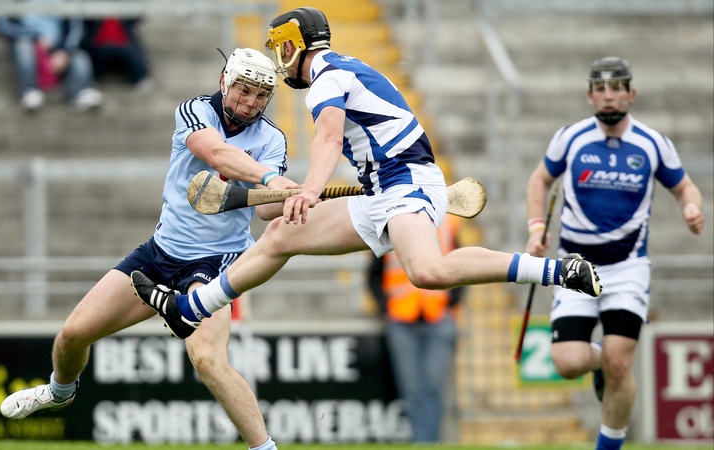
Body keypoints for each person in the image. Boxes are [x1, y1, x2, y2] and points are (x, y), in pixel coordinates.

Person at [129, 7, 601, 344]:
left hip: (405, 184)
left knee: (428, 272)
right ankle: (192, 307)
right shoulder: (345, 68)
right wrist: (298, 192)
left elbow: (329, 140)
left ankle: (560, 270)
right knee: (278, 236)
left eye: (279, 50)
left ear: (293, 45)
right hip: (381, 190)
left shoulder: (327, 78)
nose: (279, 61)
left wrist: (310, 189)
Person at [0, 48, 298, 450]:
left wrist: (291, 198)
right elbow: (213, 152)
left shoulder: (271, 139)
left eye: (260, 96)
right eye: (243, 90)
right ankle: (59, 391)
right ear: (225, 81)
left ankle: (265, 448)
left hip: (218, 261)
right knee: (72, 335)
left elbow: (266, 215)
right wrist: (267, 177)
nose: (249, 102)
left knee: (207, 360)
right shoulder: (195, 111)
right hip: (160, 253)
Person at [524, 57, 704, 450]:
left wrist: (691, 207)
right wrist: (537, 228)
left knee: (621, 364)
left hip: (627, 266)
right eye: (601, 89)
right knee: (568, 364)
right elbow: (540, 180)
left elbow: (684, 186)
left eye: (617, 88)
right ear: (590, 96)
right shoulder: (569, 138)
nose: (609, 97)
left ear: (631, 94)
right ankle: (604, 359)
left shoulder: (653, 143)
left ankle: (609, 444)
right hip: (575, 266)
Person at [367, 214, 464, 442]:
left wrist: (451, 302)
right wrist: (385, 307)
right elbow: (373, 273)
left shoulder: (448, 223)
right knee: (411, 390)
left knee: (433, 387)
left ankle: (428, 442)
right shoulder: (389, 222)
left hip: (438, 317)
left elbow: (463, 264)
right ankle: (421, 442)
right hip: (402, 319)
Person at [0, 0, 103, 112]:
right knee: (23, 47)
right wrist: (35, 37)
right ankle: (29, 92)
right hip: (29, 46)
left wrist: (64, 52)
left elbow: (75, 28)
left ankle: (81, 92)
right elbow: (1, 25)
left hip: (57, 49)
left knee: (79, 57)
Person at [80, 17, 152, 90]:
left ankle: (140, 77)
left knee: (132, 56)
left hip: (123, 41)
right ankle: (91, 80)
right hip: (99, 43)